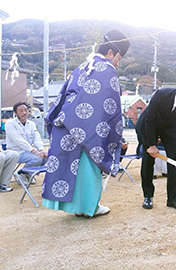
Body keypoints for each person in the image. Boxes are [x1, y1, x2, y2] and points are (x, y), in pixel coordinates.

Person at [41, 29, 130, 217]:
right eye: (119, 58)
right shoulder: (106, 69)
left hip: (65, 125)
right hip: (86, 129)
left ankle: (77, 208)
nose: (117, 63)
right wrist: (114, 136)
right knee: (88, 168)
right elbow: (110, 108)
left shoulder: (83, 65)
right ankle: (89, 207)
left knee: (72, 169)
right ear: (111, 52)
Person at [136, 77, 176, 211]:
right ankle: (148, 196)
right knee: (148, 159)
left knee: (175, 162)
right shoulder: (161, 95)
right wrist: (152, 145)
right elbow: (150, 120)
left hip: (169, 127)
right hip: (149, 125)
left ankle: (172, 198)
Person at [5, 102, 47, 184]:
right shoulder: (10, 124)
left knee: (44, 156)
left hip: (28, 152)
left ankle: (28, 174)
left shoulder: (31, 124)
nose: (24, 113)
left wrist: (41, 150)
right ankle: (21, 173)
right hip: (15, 152)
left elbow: (36, 138)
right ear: (15, 113)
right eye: (21, 111)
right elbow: (19, 141)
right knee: (37, 158)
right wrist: (34, 151)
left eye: (26, 110)